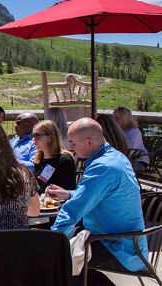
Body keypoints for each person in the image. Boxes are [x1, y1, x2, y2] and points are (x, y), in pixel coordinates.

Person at [48, 118, 148, 284]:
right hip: (127, 243)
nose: (70, 148)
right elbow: (102, 195)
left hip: (119, 248)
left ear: (89, 142)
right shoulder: (115, 157)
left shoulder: (103, 167)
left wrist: (51, 240)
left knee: (58, 259)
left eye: (73, 143)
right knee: (67, 255)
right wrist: (70, 194)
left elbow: (73, 210)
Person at [31, 120, 76, 193]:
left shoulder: (65, 160)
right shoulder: (38, 160)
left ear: (50, 137)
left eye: (37, 136)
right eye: (33, 136)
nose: (33, 140)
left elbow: (69, 190)